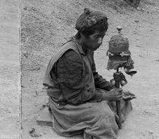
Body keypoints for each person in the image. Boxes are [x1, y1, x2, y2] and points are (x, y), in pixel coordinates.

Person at [43, 8, 133, 139]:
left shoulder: (87, 47)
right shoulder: (70, 57)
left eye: (102, 37)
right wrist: (106, 96)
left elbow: (94, 76)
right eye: (97, 37)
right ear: (83, 35)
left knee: (123, 98)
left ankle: (100, 119)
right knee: (105, 117)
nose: (100, 42)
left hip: (81, 92)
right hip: (66, 104)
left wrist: (111, 88)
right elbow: (74, 98)